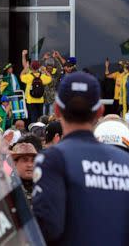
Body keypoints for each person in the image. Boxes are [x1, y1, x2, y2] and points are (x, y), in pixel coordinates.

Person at [32, 72, 129, 244]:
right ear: (100, 111)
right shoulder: (125, 162)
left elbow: (46, 229)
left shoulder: (52, 159)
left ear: (56, 110)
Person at [20, 51, 52, 124]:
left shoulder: (29, 76)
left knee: (32, 116)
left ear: (31, 67)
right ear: (38, 67)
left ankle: (33, 130)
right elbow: (50, 78)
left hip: (30, 99)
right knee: (39, 116)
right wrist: (45, 71)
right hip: (40, 99)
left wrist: (25, 69)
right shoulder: (42, 76)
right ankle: (40, 128)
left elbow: (21, 76)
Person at [10, 142, 37, 206]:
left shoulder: (42, 188)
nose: (30, 165)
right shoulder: (7, 188)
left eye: (33, 160)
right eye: (25, 160)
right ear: (14, 163)